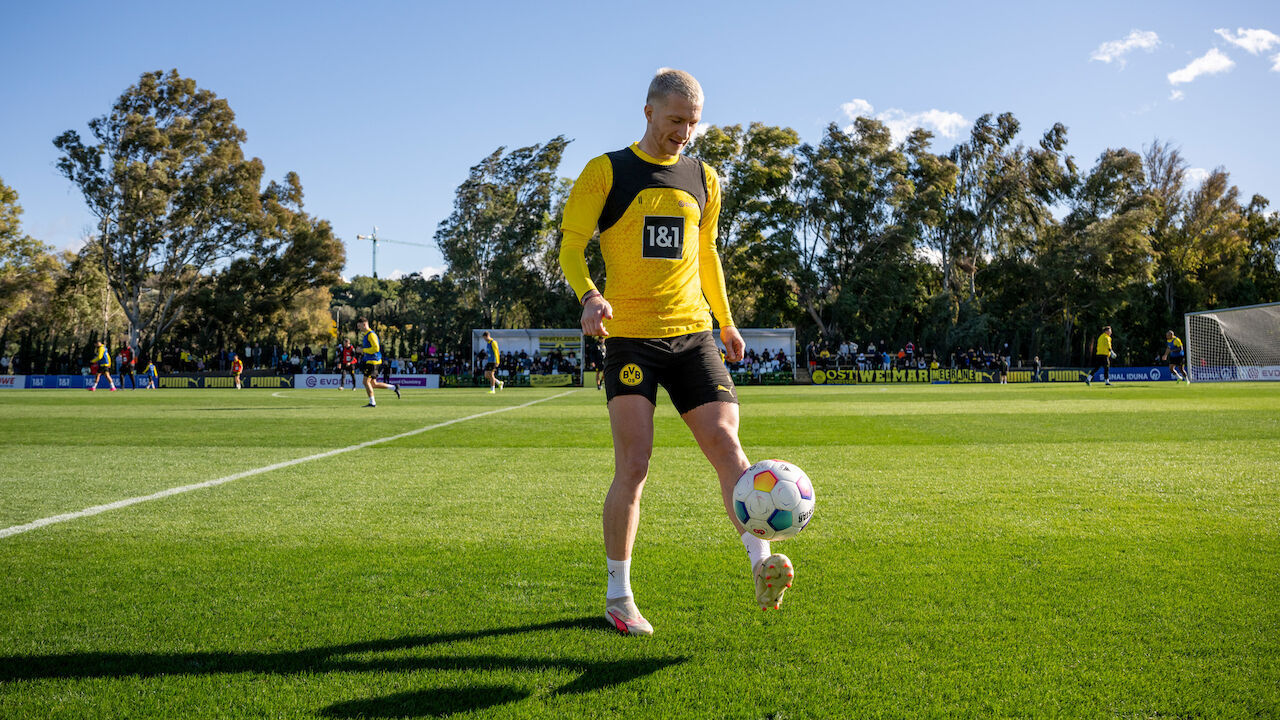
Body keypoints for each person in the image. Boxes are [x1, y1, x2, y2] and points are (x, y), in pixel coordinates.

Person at [558, 68, 791, 637]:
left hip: (694, 335)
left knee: (727, 446)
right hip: (630, 336)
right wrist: (589, 295)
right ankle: (619, 595)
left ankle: (763, 567)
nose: (684, 132)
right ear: (648, 113)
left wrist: (727, 322)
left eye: (692, 121)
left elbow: (706, 253)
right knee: (634, 465)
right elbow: (570, 244)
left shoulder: (705, 178)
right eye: (674, 121)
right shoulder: (606, 172)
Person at [357, 317, 400, 407]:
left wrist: (363, 350)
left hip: (373, 361)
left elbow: (376, 348)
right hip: (372, 361)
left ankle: (372, 402)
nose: (359, 328)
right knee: (373, 383)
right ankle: (394, 387)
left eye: (360, 326)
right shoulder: (367, 335)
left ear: (364, 324)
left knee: (366, 382)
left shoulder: (371, 335)